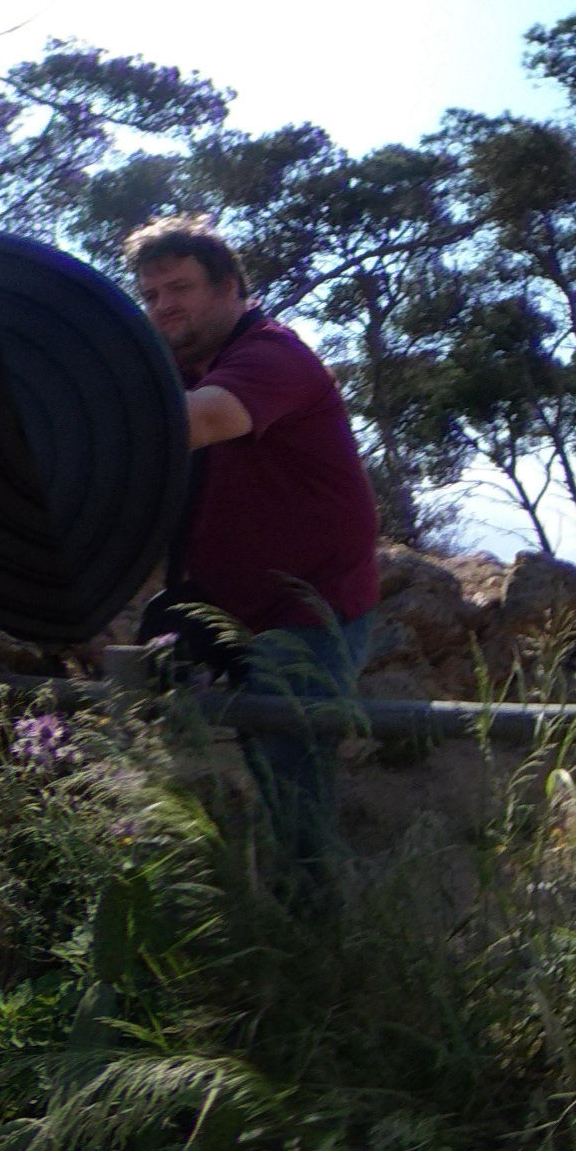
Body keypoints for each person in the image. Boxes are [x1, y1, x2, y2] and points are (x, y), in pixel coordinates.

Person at [124, 217, 383, 892]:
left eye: (180, 287)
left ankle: (316, 938)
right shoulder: (182, 369)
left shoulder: (272, 356)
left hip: (309, 614)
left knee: (293, 797)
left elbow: (198, 421)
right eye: (150, 295)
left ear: (230, 287)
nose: (163, 306)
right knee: (175, 767)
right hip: (223, 608)